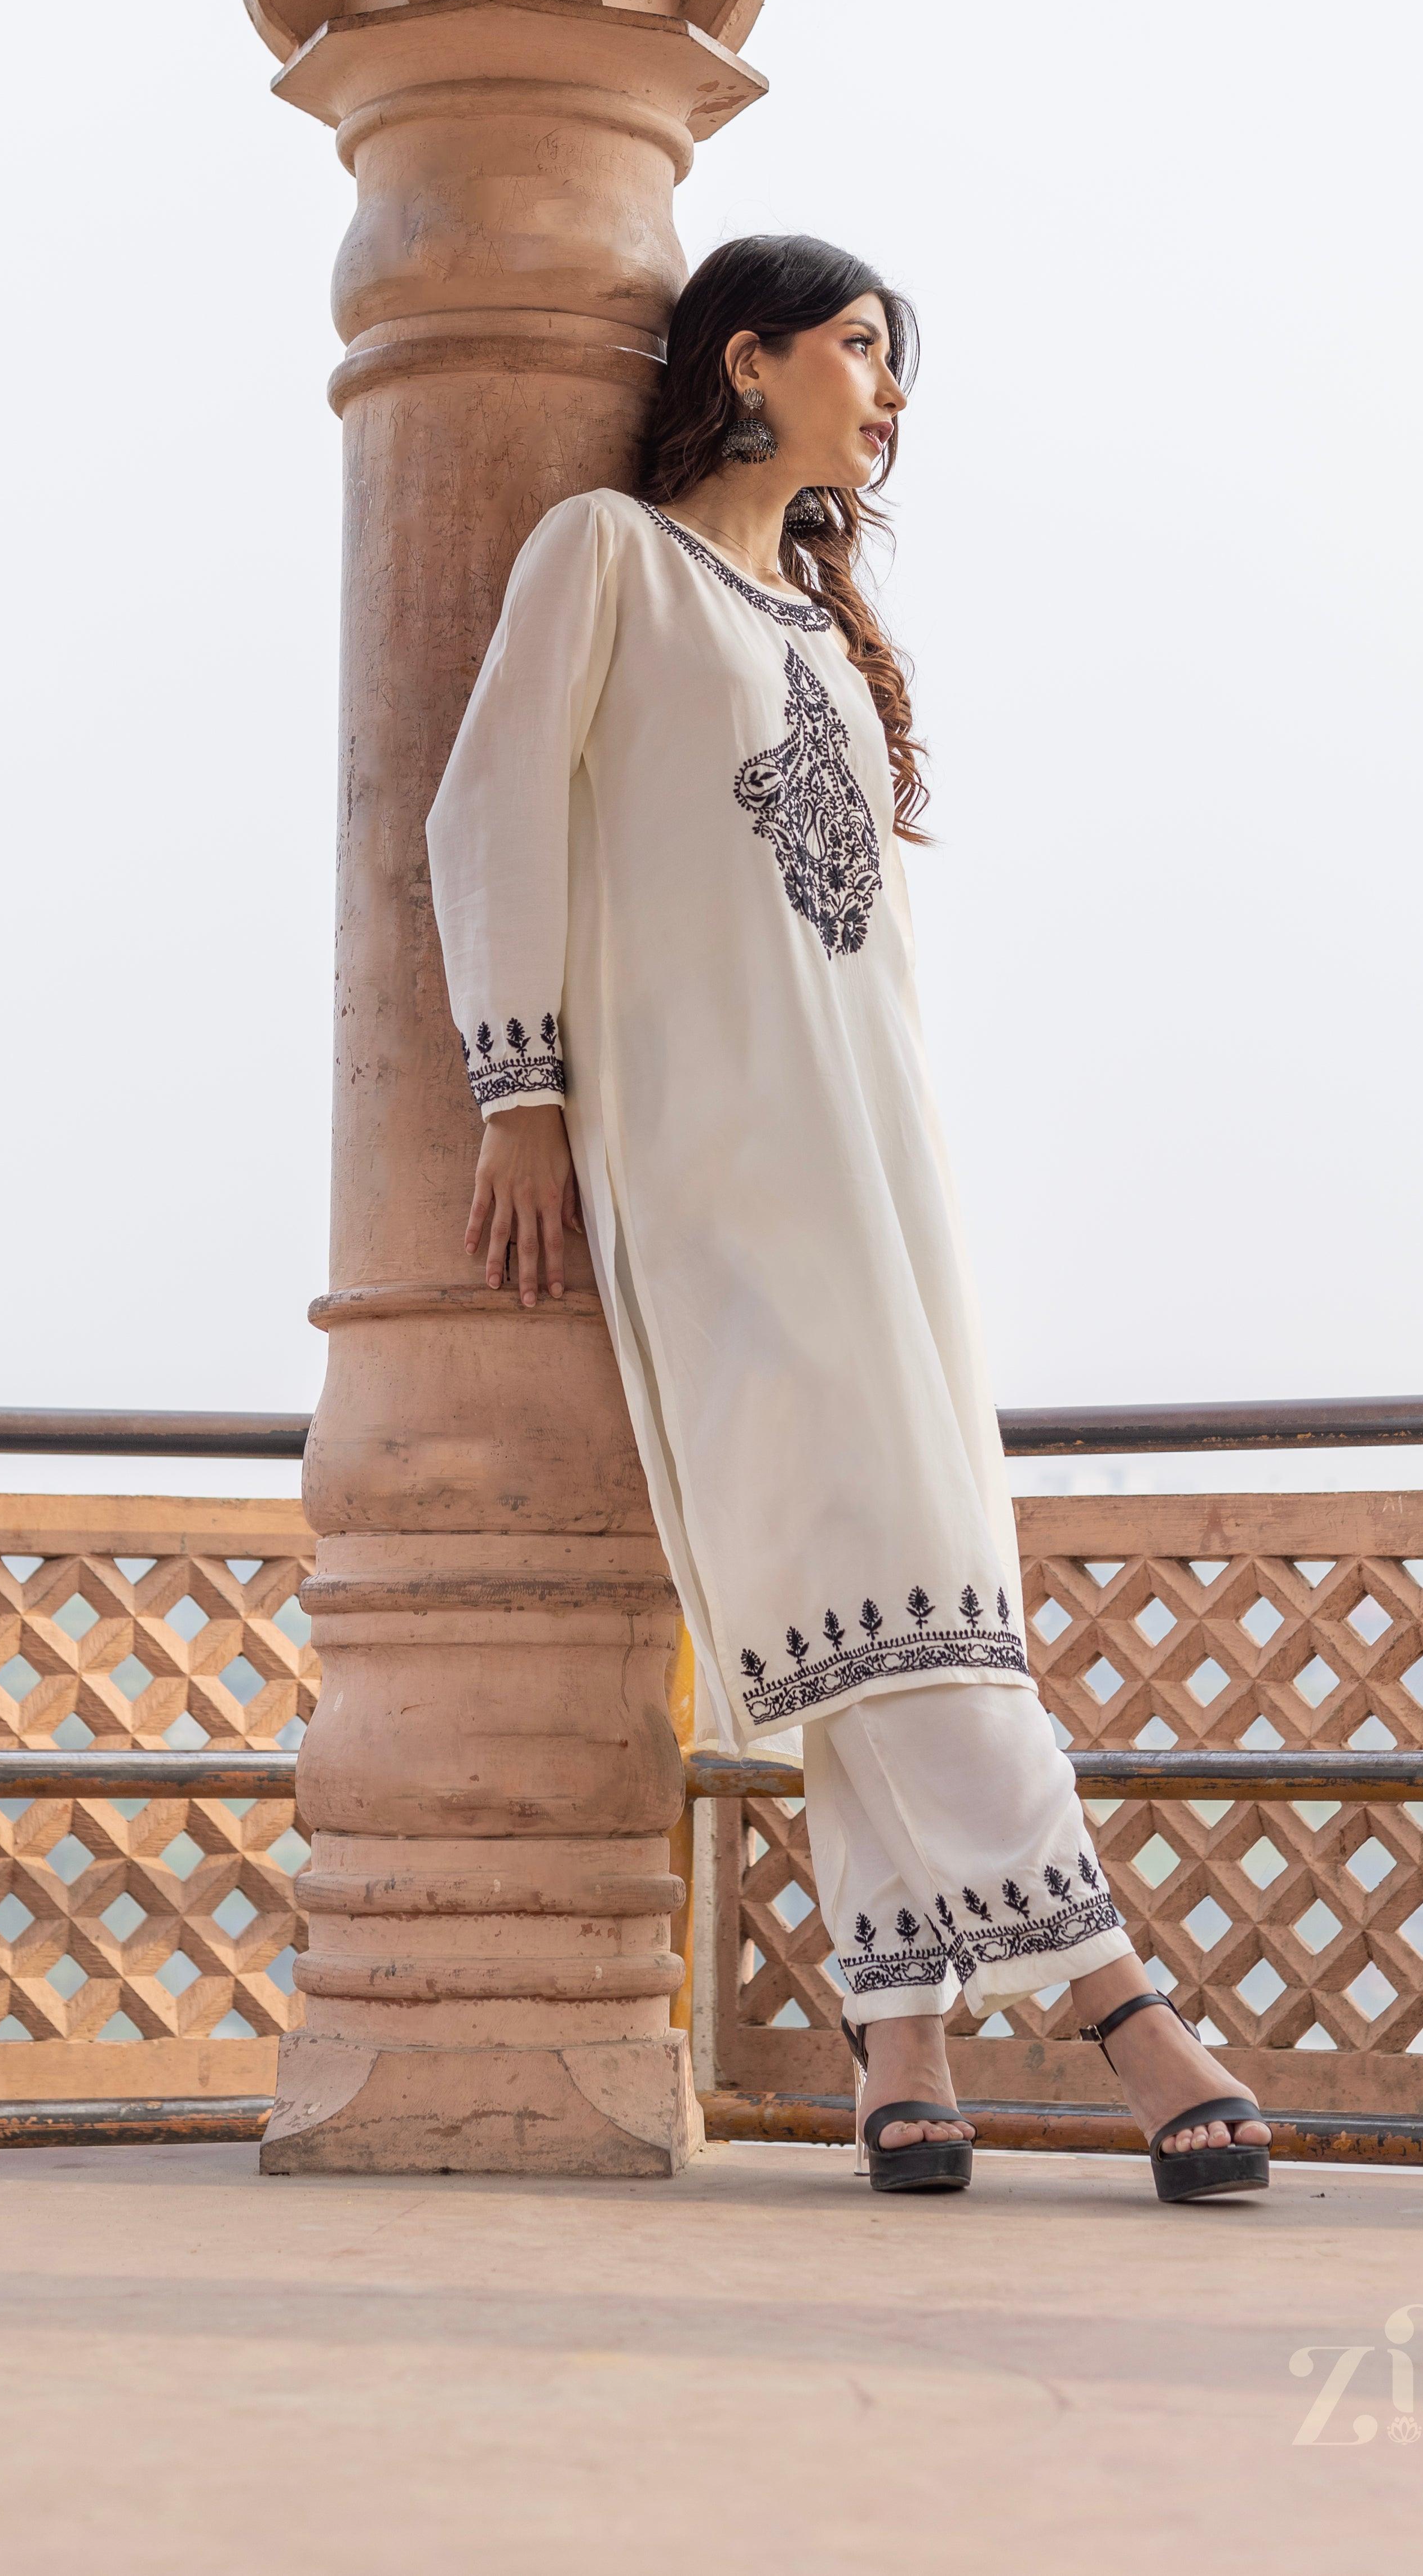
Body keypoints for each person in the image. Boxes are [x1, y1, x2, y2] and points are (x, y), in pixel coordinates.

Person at [424, 230, 1271, 2203]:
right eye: (865, 351)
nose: (889, 399)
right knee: (884, 1557)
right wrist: (519, 1090)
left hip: (871, 1155)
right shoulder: (607, 557)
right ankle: (1117, 2002)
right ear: (753, 355)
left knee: (875, 1572)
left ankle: (900, 2039)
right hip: (710, 1156)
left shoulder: (806, 618)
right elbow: (484, 811)